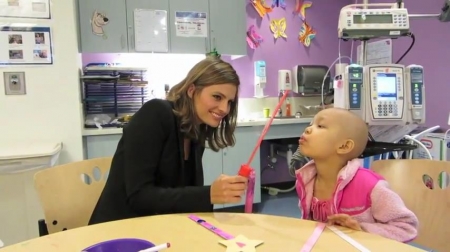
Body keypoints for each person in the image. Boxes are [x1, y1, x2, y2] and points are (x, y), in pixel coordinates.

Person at [89, 57, 248, 225]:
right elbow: (139, 196)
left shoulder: (196, 131)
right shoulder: (156, 114)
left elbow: (180, 196)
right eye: (217, 97)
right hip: (118, 231)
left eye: (229, 102)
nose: (224, 108)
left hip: (161, 227)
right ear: (192, 90)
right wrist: (209, 194)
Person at [295, 108, 418, 243]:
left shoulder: (370, 186)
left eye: (320, 126)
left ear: (344, 146)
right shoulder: (305, 180)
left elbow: (406, 228)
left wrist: (362, 230)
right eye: (310, 124)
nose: (307, 130)